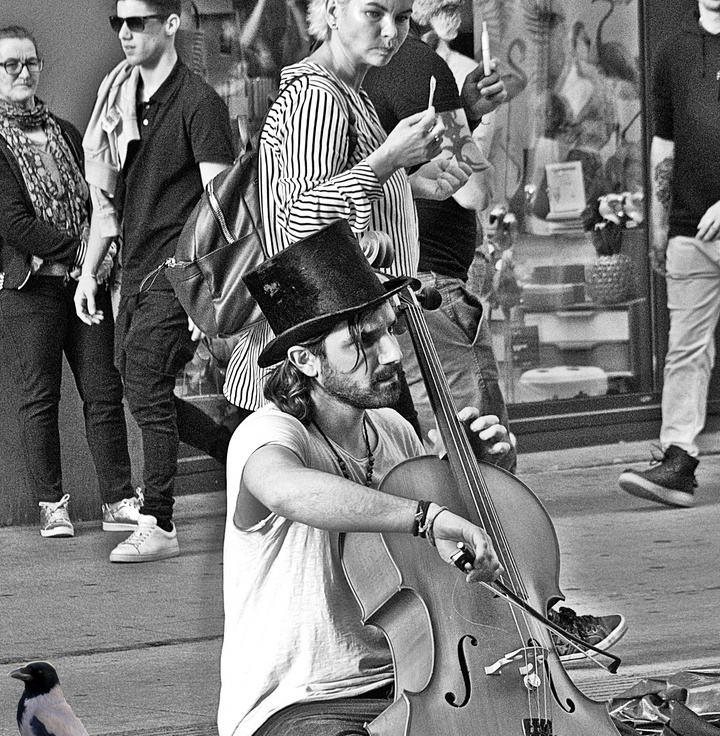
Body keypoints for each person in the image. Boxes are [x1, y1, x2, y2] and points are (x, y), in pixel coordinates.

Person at [211, 221, 720, 736]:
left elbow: (458, 581)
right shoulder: (269, 438)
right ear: (303, 361)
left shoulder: (398, 439)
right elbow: (292, 493)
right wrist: (422, 511)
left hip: (409, 682)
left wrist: (481, 474)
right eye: (359, 340)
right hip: (288, 707)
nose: (384, 351)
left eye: (385, 331)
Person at [363, 2, 627, 662]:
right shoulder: (415, 75)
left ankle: (500, 620)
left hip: (395, 303)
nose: (398, 23)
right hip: (413, 302)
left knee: (445, 461)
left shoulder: (392, 75)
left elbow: (451, 183)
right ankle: (538, 617)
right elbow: (466, 190)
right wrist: (426, 154)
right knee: (469, 461)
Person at [221, 0, 471, 430]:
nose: (392, 32)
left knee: (399, 472)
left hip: (351, 342)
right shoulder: (319, 97)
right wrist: (387, 161)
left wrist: (405, 185)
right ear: (334, 12)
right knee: (393, 480)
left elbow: (329, 188)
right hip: (330, 356)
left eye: (403, 17)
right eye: (374, 14)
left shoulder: (347, 90)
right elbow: (300, 218)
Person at [75, 0, 235, 563]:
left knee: (144, 380)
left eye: (137, 21)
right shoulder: (120, 100)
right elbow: (107, 205)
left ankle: (159, 519)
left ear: (170, 24)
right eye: (117, 22)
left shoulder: (199, 103)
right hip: (134, 270)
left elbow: (222, 204)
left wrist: (202, 292)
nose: (124, 32)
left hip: (177, 268)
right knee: (140, 385)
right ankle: (237, 448)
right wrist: (90, 271)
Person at [0, 24, 140, 540]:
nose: (22, 72)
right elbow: (13, 223)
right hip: (29, 290)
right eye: (9, 64)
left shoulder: (62, 131)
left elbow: (94, 201)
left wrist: (95, 256)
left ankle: (120, 500)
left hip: (86, 284)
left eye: (30, 62)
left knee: (104, 392)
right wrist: (84, 250)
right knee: (40, 400)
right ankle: (50, 505)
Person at [618, 0, 720, 508]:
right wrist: (659, 228)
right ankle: (679, 460)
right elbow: (664, 143)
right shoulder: (674, 51)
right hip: (689, 230)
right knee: (686, 348)